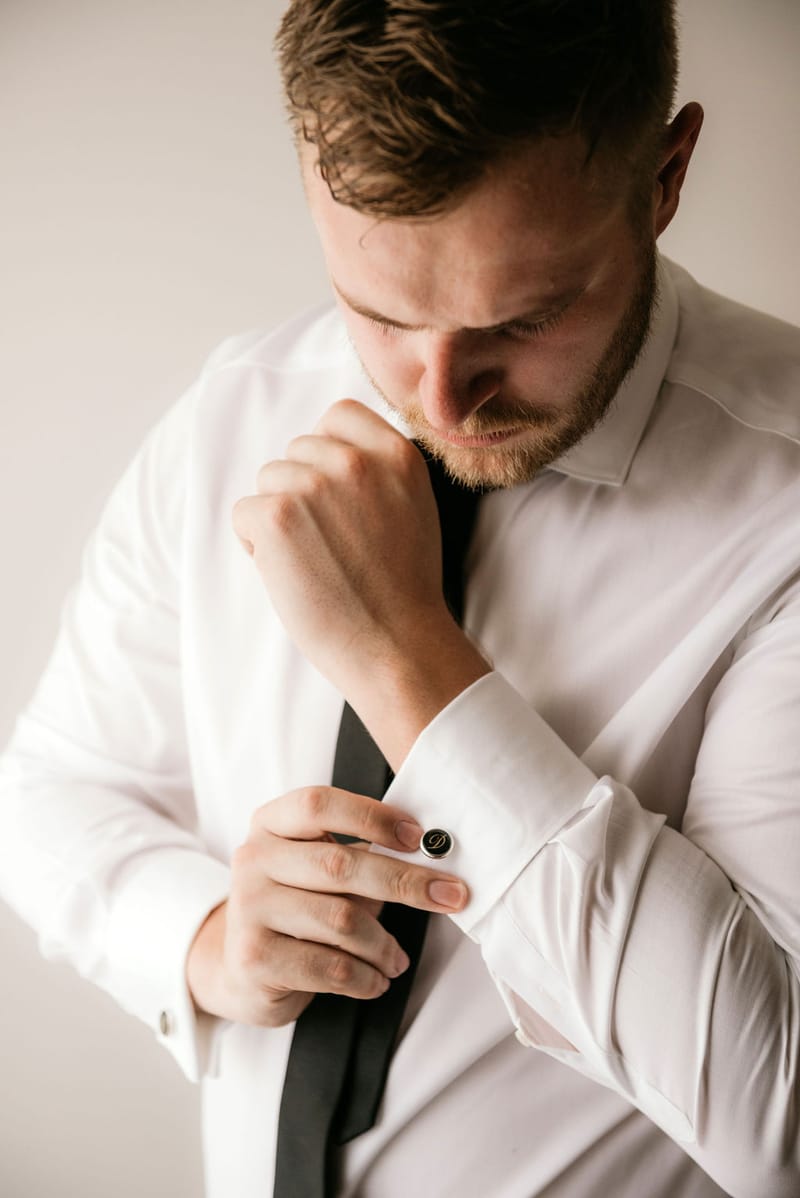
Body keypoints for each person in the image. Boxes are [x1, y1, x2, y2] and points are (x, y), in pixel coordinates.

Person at [1, 2, 798, 1195]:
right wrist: (208, 943)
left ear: (665, 174)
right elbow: (57, 790)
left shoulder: (784, 501)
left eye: (524, 320)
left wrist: (405, 662)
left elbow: (777, 1118)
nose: (442, 398)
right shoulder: (233, 413)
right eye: (376, 311)